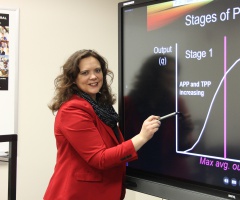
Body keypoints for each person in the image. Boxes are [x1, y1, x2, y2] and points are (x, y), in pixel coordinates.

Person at [43, 49, 161, 200]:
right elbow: (100, 158)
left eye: (97, 70)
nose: (94, 77)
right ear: (73, 78)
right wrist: (142, 137)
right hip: (78, 194)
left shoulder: (101, 106)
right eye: (85, 72)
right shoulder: (72, 110)